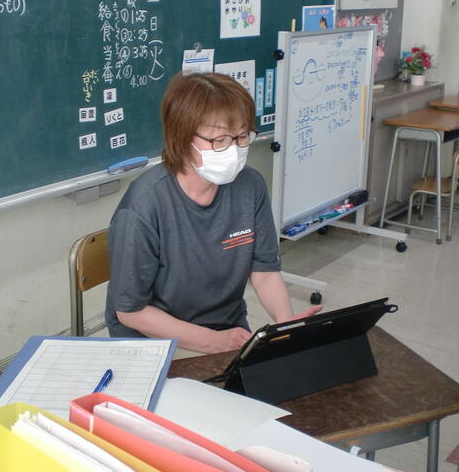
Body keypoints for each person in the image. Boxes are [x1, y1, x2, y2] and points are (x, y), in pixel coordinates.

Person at [105, 71, 321, 353]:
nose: (234, 149)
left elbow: (264, 271)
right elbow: (130, 311)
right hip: (153, 340)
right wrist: (213, 342)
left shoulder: (250, 185)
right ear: (182, 137)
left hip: (226, 329)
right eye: (219, 140)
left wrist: (285, 324)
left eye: (242, 136)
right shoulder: (144, 204)